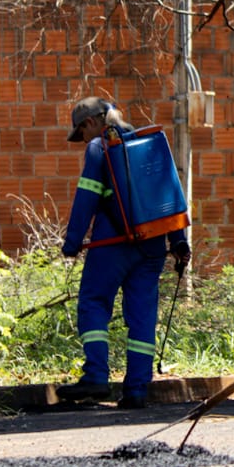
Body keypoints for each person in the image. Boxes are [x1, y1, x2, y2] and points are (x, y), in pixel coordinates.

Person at [57, 96, 190, 410]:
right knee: (142, 316)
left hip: (111, 244)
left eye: (82, 132)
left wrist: (73, 241)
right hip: (152, 246)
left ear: (92, 122)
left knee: (93, 301)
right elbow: (168, 193)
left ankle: (96, 377)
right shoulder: (150, 143)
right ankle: (137, 390)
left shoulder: (99, 147)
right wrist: (179, 241)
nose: (83, 140)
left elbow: (86, 197)